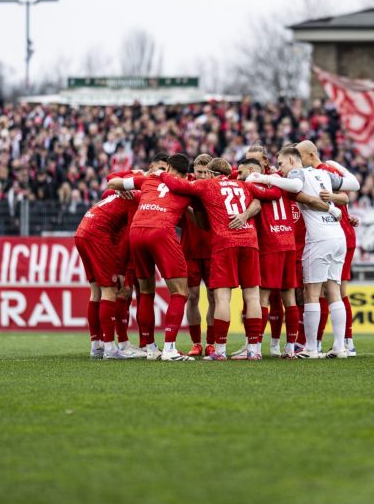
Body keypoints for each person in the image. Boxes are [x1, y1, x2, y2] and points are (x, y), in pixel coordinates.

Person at [156, 157, 282, 360]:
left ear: (213, 174)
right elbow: (274, 193)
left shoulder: (208, 185)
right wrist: (273, 176)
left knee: (222, 297)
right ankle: (254, 350)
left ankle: (220, 351)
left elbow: (174, 183)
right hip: (250, 242)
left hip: (225, 243)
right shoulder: (245, 184)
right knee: (252, 297)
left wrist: (161, 173)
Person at [248, 147, 352, 359]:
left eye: (282, 164)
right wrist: (338, 172)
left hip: (319, 239)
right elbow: (353, 184)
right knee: (333, 291)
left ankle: (312, 349)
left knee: (311, 293)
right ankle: (341, 347)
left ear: (292, 161)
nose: (280, 168)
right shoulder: (323, 173)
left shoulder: (298, 173)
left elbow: (295, 185)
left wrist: (265, 179)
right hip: (338, 236)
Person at [106, 153, 194, 362]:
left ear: (169, 167)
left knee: (145, 292)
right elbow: (200, 221)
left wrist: (125, 189)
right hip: (161, 231)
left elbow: (113, 182)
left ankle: (151, 347)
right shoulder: (188, 185)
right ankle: (170, 349)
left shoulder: (149, 178)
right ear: (186, 172)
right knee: (180, 292)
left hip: (136, 231)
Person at [295, 140, 362, 356]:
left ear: (311, 155)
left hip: (330, 235)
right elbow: (344, 197)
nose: (297, 162)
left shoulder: (321, 171)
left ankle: (332, 344)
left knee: (326, 292)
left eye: (300, 157)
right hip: (336, 234)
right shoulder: (316, 172)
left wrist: (330, 199)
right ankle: (337, 344)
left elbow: (346, 194)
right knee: (330, 290)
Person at [238, 156, 303, 358]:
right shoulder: (281, 183)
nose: (240, 176)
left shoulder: (255, 184)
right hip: (289, 244)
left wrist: (245, 182)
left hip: (270, 244)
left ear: (252, 170)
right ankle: (290, 348)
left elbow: (261, 194)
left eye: (241, 172)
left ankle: (254, 347)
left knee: (262, 298)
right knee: (289, 297)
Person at [74, 188, 144, 360]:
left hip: (82, 231)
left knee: (96, 291)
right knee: (110, 290)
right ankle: (110, 348)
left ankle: (96, 346)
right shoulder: (138, 200)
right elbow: (127, 237)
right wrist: (120, 271)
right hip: (97, 235)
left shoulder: (124, 194)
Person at [182, 154, 216, 357]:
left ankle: (211, 342)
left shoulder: (217, 188)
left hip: (214, 250)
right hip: (190, 251)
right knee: (192, 297)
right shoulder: (186, 189)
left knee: (214, 296)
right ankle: (196, 343)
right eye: (199, 172)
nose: (202, 176)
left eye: (205, 172)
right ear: (193, 170)